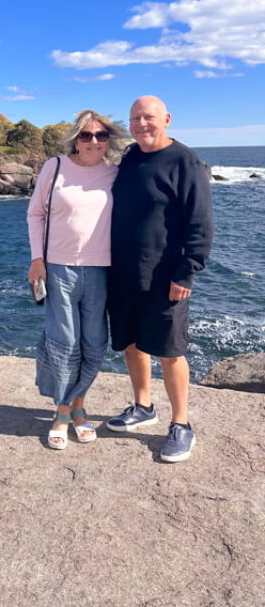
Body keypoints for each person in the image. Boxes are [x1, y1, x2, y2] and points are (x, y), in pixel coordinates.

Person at [106, 95, 213, 463]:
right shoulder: (130, 158)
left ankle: (181, 425)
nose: (141, 124)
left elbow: (200, 223)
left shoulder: (185, 161)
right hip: (123, 272)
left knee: (170, 351)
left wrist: (188, 270)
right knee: (132, 344)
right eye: (135, 118)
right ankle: (142, 406)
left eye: (148, 117)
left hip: (167, 276)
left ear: (166, 118)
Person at [27, 109, 126, 450]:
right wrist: (37, 260)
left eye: (101, 136)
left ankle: (77, 407)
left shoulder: (116, 174)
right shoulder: (54, 167)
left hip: (103, 270)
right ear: (76, 139)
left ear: (109, 139)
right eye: (86, 135)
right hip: (59, 268)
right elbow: (36, 214)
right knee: (64, 342)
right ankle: (63, 413)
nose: (94, 141)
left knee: (94, 344)